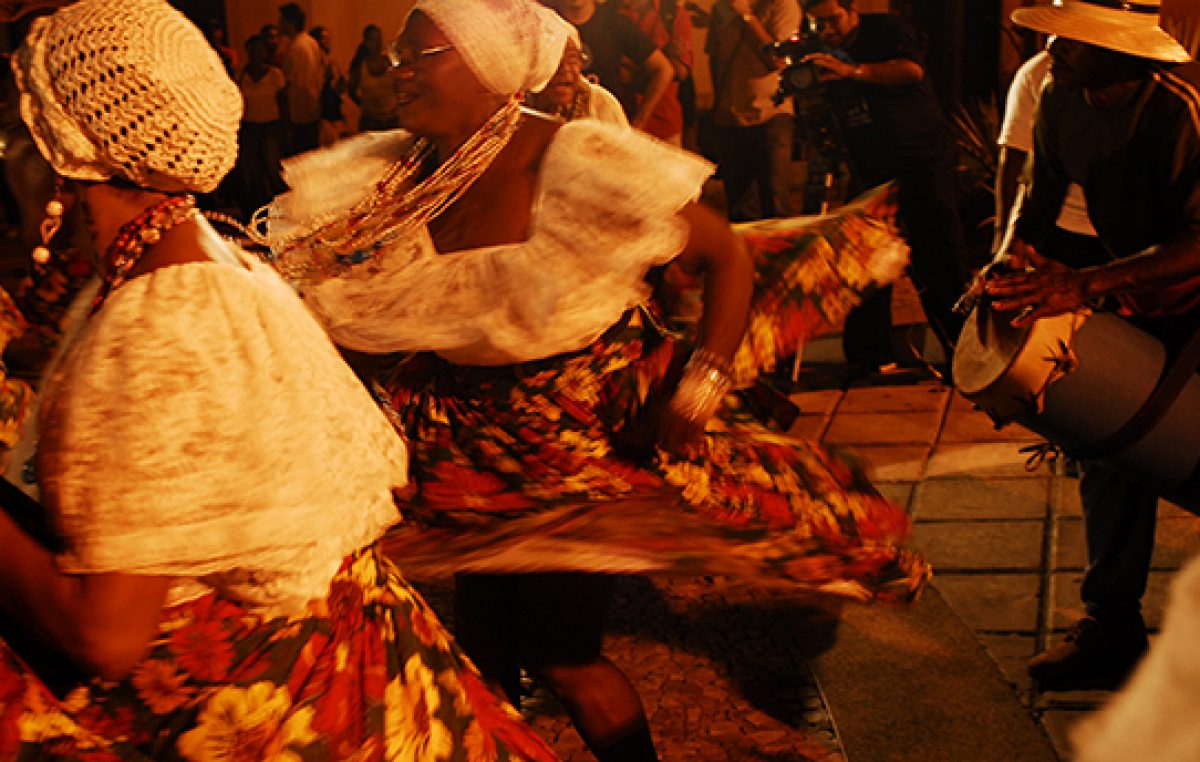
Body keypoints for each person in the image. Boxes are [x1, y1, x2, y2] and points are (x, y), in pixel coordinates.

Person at [267, 0, 928, 759]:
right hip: (463, 453)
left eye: (423, 55)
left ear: (490, 70)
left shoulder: (573, 161)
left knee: (561, 655)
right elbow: (344, 306)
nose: (401, 72)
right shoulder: (396, 174)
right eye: (398, 57)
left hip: (576, 448)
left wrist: (701, 387)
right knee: (481, 655)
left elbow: (725, 257)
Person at [0, 0, 558, 758]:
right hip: (344, 669)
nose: (8, 154)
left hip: (283, 711)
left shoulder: (161, 320)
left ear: (64, 152)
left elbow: (105, 634)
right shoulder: (206, 261)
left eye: (17, 128)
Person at [985, 0, 1197, 691]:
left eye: (1074, 38)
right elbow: (1038, 192)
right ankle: (1112, 624)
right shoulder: (1057, 96)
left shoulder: (1178, 114)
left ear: (1123, 50)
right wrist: (1009, 258)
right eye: (1055, 33)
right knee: (1108, 445)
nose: (1052, 48)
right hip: (1127, 290)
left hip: (1189, 304)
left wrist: (1087, 283)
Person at [800, 0, 970, 379]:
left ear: (851, 9)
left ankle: (964, 350)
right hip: (869, 168)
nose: (826, 30)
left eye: (832, 20)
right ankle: (868, 355)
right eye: (817, 24)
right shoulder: (817, 51)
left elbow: (911, 70)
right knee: (865, 264)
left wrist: (853, 71)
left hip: (919, 160)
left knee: (939, 257)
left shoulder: (886, 30)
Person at [994, 44, 1099, 261]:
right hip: (1060, 228)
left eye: (1070, 40)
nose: (1054, 46)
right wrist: (1007, 242)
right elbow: (1020, 163)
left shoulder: (1160, 103)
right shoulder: (1043, 78)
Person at [705, 0, 801, 222]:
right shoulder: (722, 8)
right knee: (741, 209)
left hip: (771, 113)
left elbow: (779, 60)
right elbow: (715, 59)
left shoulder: (783, 5)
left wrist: (747, 17)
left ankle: (779, 246)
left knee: (775, 201)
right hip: (730, 117)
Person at [545, 0, 675, 131]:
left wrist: (638, 122)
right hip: (552, 127)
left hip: (605, 131)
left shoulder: (614, 23)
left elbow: (664, 69)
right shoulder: (544, 23)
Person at [615, 0, 693, 144]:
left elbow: (680, 72)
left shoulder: (673, 14)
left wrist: (631, 65)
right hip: (619, 121)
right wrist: (663, 58)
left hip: (663, 124)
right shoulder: (609, 13)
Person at [236, 34, 287, 214]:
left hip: (270, 127)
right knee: (253, 171)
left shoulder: (275, 75)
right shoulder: (241, 76)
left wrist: (285, 127)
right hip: (250, 127)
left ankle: (281, 206)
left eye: (260, 51)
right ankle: (258, 208)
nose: (256, 55)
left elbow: (283, 102)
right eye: (253, 51)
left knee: (272, 168)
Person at [278, 2, 323, 156]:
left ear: (290, 23)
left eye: (282, 20)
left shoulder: (295, 47)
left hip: (298, 112)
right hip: (313, 108)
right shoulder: (312, 42)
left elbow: (291, 82)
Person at [348, 23, 401, 132]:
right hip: (370, 121)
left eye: (378, 40)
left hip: (392, 119)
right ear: (366, 42)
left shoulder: (390, 60)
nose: (377, 44)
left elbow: (401, 82)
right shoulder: (360, 65)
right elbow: (351, 90)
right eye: (372, 40)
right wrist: (364, 104)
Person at [310, 25, 349, 146]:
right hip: (325, 111)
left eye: (328, 38)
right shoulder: (317, 60)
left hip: (334, 107)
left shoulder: (331, 60)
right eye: (323, 38)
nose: (327, 41)